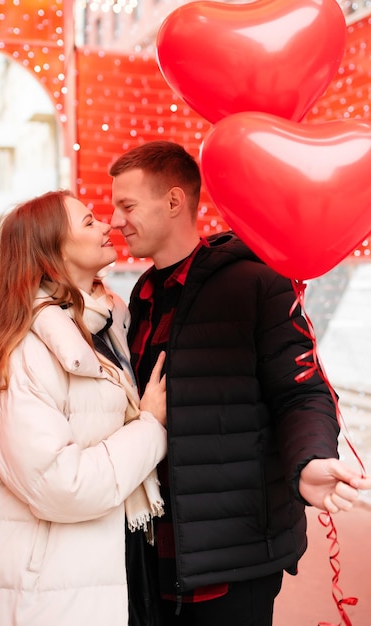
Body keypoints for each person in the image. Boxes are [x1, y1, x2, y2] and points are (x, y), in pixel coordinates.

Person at [109, 140, 371, 626]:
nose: (116, 221)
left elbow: (301, 389)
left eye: (127, 206)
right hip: (156, 549)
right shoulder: (143, 295)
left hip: (235, 548)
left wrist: (310, 460)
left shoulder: (255, 283)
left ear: (173, 202)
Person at [0, 190, 168, 626]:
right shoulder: (25, 351)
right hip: (42, 593)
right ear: (51, 252)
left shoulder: (105, 326)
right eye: (88, 222)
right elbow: (61, 485)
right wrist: (151, 427)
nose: (108, 225)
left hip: (91, 572)